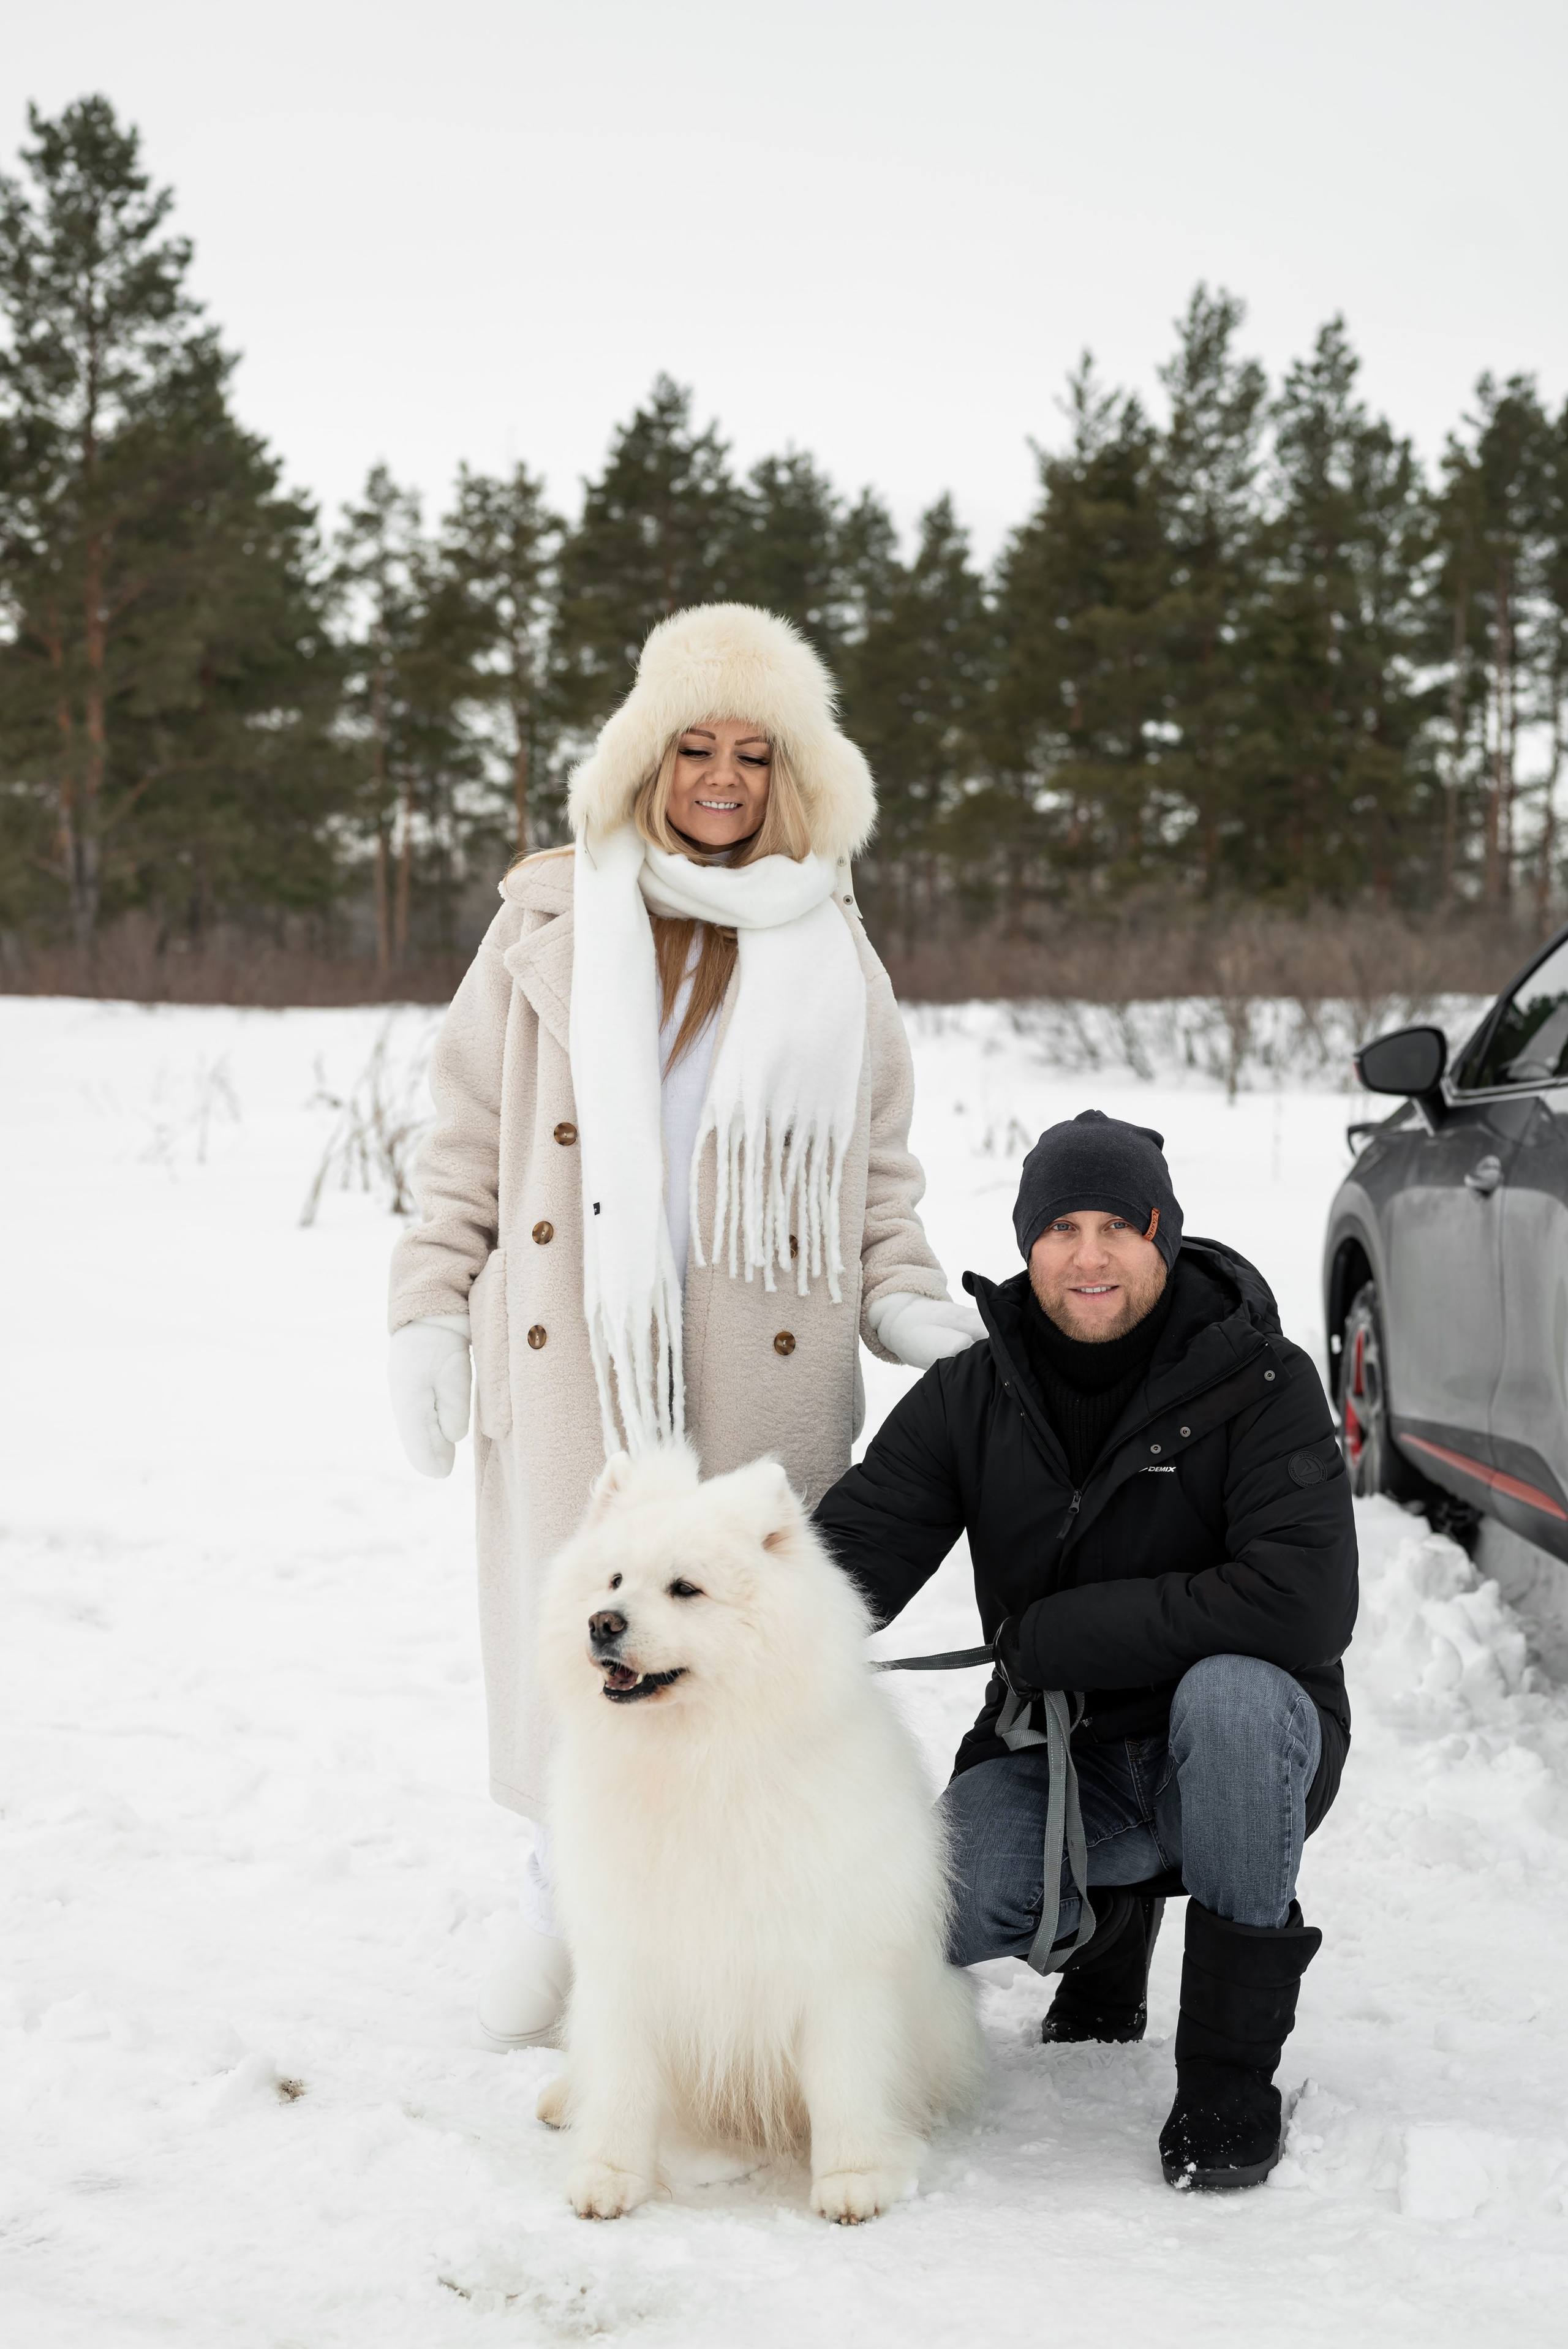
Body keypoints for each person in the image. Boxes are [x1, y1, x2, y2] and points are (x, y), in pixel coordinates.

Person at [386, 602, 981, 2049]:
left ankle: (753, 1959)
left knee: (739, 1666)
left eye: (754, 752)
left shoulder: (829, 943)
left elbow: (873, 1160)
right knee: (590, 1638)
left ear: (794, 773)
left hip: (758, 1366)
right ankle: (563, 1915)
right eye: (695, 746)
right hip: (573, 1354)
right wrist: (426, 1305)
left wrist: (901, 1286)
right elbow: (462, 1135)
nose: (722, 777)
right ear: (646, 757)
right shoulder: (545, 919)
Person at [815, 1109, 1358, 2190]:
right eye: (1062, 1227)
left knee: (1235, 1696)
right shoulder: (974, 1394)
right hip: (1069, 1752)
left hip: (1251, 1749)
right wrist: (703, 1607)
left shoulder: (1260, 1381)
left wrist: (1066, 1631)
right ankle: (1109, 1945)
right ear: (1028, 1245)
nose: (1091, 1256)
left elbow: (1302, 1603)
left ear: (1164, 1235)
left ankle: (1227, 2077)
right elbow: (850, 1561)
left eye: (1120, 1225)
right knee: (941, 1907)